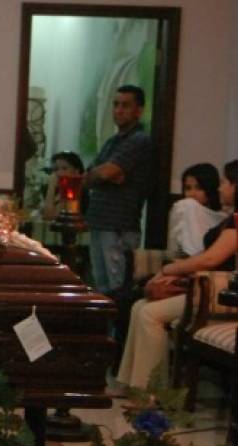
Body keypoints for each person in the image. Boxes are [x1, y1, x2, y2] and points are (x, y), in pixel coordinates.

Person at [116, 160, 237, 390]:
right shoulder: (229, 219)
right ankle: (134, 386)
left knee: (150, 313)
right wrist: (178, 270)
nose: (220, 188)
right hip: (203, 286)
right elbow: (204, 256)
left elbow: (211, 260)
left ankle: (152, 392)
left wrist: (167, 270)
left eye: (224, 182)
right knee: (139, 306)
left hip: (216, 292)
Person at [83, 85, 153, 295]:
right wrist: (105, 174)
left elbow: (105, 173)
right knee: (101, 288)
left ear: (138, 110)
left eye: (125, 105)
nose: (118, 110)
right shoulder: (113, 141)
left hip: (119, 226)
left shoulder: (139, 140)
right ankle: (106, 329)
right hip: (99, 222)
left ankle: (118, 329)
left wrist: (105, 174)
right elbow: (88, 177)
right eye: (116, 105)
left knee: (117, 288)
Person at [166, 163, 226, 258]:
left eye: (199, 188)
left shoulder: (225, 217)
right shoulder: (185, 207)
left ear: (210, 188)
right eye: (188, 188)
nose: (192, 194)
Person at [42, 151, 85, 220]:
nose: (59, 173)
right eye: (56, 169)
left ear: (77, 171)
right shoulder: (56, 191)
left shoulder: (76, 192)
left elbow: (49, 216)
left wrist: (51, 186)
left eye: (64, 168)